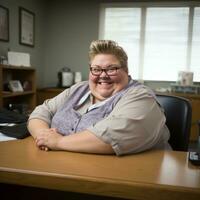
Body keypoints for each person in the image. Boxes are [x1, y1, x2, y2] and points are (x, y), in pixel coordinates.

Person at [28, 40, 171, 156]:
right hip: (61, 166)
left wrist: (58, 142)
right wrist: (43, 136)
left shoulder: (141, 97)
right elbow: (42, 111)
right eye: (96, 69)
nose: (103, 75)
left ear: (126, 71)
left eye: (111, 69)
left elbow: (111, 137)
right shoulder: (79, 88)